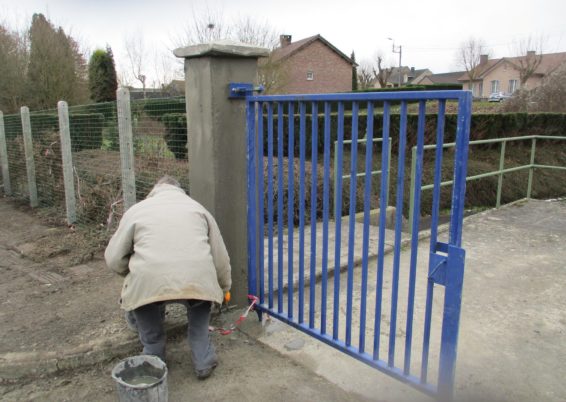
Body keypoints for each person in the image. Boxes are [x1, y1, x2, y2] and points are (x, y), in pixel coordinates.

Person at [105, 175, 231, 380]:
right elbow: (220, 258)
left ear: (154, 191)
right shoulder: (198, 209)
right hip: (197, 279)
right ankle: (203, 359)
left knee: (144, 298)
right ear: (180, 190)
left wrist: (130, 273)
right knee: (199, 312)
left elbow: (113, 258)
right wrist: (224, 288)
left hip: (149, 280)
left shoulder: (137, 210)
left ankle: (154, 353)